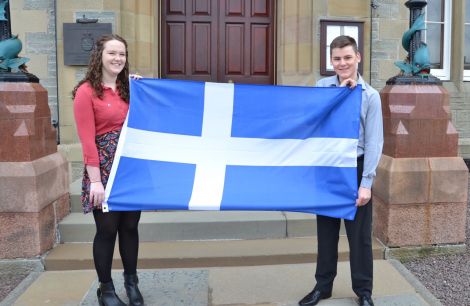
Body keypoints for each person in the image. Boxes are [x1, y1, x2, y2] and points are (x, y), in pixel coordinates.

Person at [299, 35, 383, 306]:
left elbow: (374, 141)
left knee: (359, 237)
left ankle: (364, 292)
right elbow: (312, 120)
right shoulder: (323, 87)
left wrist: (367, 182)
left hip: (355, 168)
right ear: (330, 61)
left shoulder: (371, 96)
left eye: (347, 57)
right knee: (326, 233)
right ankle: (322, 287)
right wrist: (340, 94)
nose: (342, 63)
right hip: (329, 168)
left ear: (358, 57)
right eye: (337, 58)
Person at [73, 34, 144, 306]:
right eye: (112, 53)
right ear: (99, 56)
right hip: (102, 171)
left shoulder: (130, 88)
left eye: (122, 54)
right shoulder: (86, 92)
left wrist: (142, 88)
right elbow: (87, 140)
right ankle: (107, 289)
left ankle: (131, 282)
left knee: (130, 227)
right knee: (107, 230)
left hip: (130, 168)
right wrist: (95, 181)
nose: (117, 58)